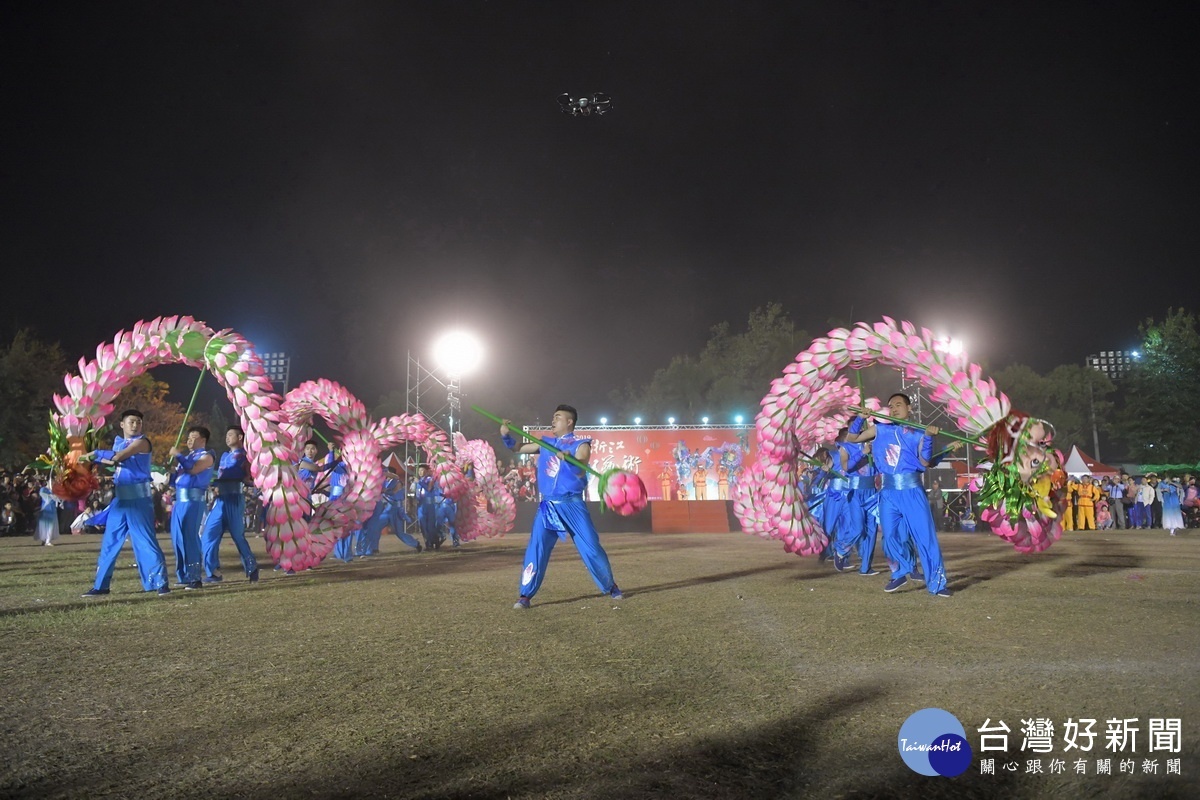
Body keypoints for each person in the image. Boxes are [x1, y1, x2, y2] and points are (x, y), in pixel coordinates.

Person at [502, 404, 623, 609]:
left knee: (591, 548)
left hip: (572, 505)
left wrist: (569, 458)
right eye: (553, 417)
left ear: (569, 422)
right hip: (548, 506)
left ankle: (610, 586)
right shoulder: (546, 443)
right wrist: (506, 436)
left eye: (557, 417)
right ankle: (525, 595)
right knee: (537, 547)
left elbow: (582, 465)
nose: (553, 420)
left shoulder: (580, 443)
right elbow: (517, 448)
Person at [845, 393, 951, 598]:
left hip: (912, 491)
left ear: (909, 408)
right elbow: (852, 438)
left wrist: (928, 438)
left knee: (925, 538)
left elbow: (925, 462)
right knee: (889, 536)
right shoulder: (880, 429)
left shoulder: (919, 432)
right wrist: (861, 419)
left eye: (898, 405)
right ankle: (901, 570)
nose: (893, 408)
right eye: (890, 405)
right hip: (888, 493)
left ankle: (937, 584)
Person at [81, 409, 171, 596]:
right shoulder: (118, 442)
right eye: (131, 421)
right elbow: (112, 461)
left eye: (138, 421)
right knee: (109, 543)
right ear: (122, 424)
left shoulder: (142, 442)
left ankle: (160, 583)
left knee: (145, 541)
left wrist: (93, 453)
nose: (135, 425)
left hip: (139, 501)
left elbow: (117, 457)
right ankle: (101, 586)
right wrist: (87, 459)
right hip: (120, 501)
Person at [200, 426, 259, 583]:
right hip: (220, 501)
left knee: (238, 536)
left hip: (234, 499)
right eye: (226, 435)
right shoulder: (224, 456)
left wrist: (250, 481)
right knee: (208, 535)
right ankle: (213, 572)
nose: (227, 438)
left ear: (240, 437)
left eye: (230, 435)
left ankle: (252, 568)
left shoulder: (247, 457)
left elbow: (251, 479)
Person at [168, 425, 214, 589]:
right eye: (188, 437)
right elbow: (178, 480)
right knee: (177, 539)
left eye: (193, 437)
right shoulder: (188, 457)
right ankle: (184, 575)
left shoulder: (207, 456)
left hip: (193, 501)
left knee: (190, 538)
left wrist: (178, 455)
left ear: (203, 440)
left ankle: (195, 577)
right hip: (179, 501)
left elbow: (194, 470)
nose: (189, 440)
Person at [35, 481, 62, 546]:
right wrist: (52, 495)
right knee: (44, 525)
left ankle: (48, 540)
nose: (52, 483)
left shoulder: (54, 490)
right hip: (46, 510)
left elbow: (59, 499)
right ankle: (44, 540)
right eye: (51, 482)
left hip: (53, 510)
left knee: (51, 526)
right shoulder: (43, 489)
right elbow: (43, 495)